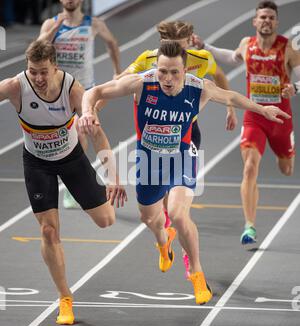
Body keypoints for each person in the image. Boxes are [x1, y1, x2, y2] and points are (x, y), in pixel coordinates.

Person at [79, 41, 289, 304]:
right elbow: (95, 91)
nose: (167, 78)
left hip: (181, 158)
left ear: (185, 69)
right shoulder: (142, 83)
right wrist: (87, 111)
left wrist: (263, 109)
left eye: (174, 72)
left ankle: (196, 273)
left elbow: (232, 97)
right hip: (149, 162)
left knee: (178, 214)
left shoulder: (198, 88)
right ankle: (162, 241)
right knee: (149, 218)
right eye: (162, 71)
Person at [0, 40, 127, 325]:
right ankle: (65, 298)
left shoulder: (73, 90)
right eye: (33, 72)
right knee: (48, 232)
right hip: (36, 163)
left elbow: (98, 135)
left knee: (106, 220)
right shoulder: (14, 87)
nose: (39, 79)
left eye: (44, 72)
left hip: (71, 160)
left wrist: (114, 176)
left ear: (55, 66)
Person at [118, 20, 238, 279]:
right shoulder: (149, 59)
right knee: (161, 203)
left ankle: (188, 257)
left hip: (186, 133)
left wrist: (229, 107)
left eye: (180, 44)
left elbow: (219, 78)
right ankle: (166, 235)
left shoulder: (202, 57)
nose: (174, 48)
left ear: (188, 43)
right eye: (167, 44)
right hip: (154, 133)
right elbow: (121, 79)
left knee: (179, 207)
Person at [195, 0, 300, 246]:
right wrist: (204, 46)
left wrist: (294, 88)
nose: (266, 21)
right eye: (262, 17)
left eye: (270, 17)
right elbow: (231, 58)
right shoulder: (246, 44)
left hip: (281, 119)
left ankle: (284, 151)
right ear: (255, 21)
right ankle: (249, 226)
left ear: (276, 22)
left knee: (287, 169)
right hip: (255, 116)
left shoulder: (288, 49)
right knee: (250, 167)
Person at [38, 0, 122, 209]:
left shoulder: (93, 24)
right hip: (57, 91)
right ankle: (69, 178)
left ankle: (70, 186)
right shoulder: (51, 23)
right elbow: (36, 50)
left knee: (81, 133)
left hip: (84, 92)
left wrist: (117, 70)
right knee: (61, 140)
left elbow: (112, 42)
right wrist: (53, 31)